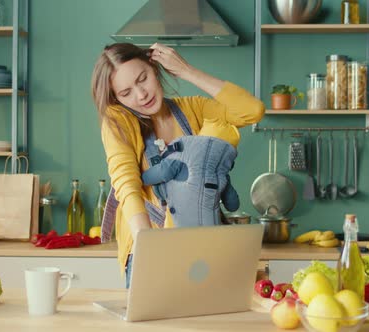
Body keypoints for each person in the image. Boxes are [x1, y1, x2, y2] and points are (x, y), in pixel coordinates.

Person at [90, 42, 264, 286]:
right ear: (116, 98)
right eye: (126, 93)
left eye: (143, 78)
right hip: (148, 245)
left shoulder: (193, 108)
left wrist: (186, 70)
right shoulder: (119, 122)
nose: (141, 95)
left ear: (154, 67)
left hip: (201, 246)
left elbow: (252, 110)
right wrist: (148, 245)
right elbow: (125, 183)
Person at [140, 117, 241, 226]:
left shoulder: (180, 161)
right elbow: (233, 205)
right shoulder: (221, 176)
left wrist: (139, 179)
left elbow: (163, 171)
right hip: (210, 230)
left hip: (176, 226)